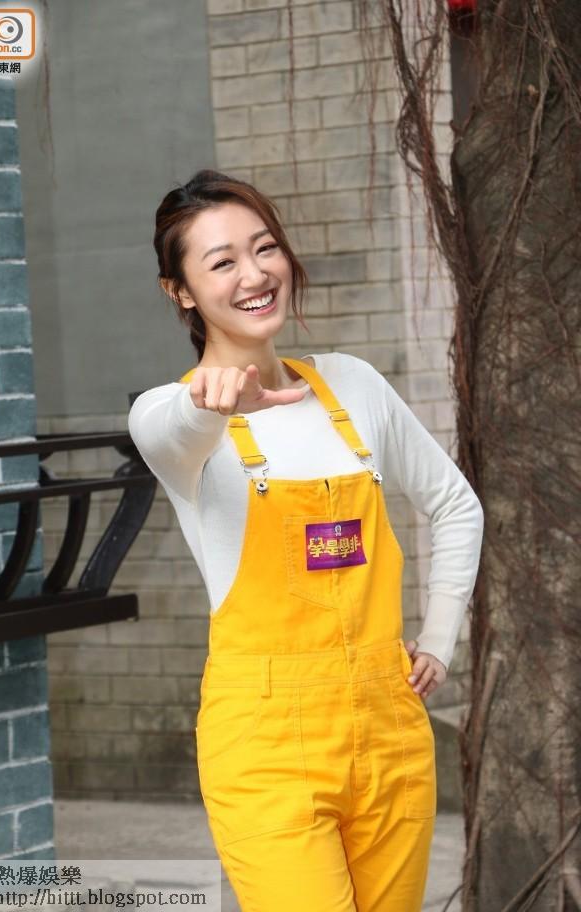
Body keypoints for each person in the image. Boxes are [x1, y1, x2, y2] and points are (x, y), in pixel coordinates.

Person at [128, 169, 484, 912]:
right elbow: (173, 431)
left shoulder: (353, 384)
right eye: (222, 262)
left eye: (265, 248)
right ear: (180, 291)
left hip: (389, 725)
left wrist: (440, 638)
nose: (255, 274)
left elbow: (455, 504)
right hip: (265, 745)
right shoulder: (169, 415)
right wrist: (212, 403)